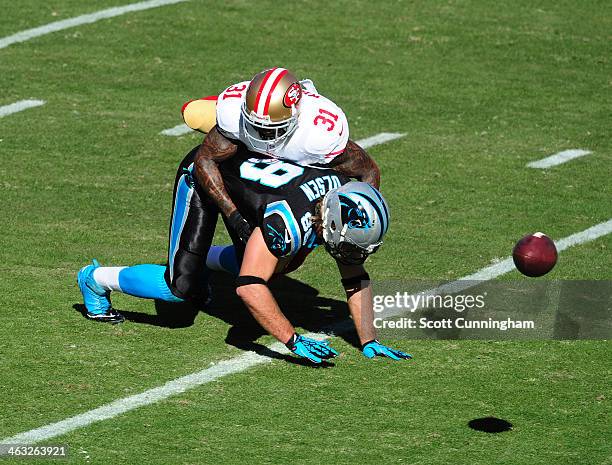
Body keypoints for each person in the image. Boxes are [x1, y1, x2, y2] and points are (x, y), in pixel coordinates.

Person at [77, 145, 411, 363]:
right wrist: (292, 340)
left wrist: (368, 338)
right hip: (208, 179)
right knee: (179, 289)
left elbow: (354, 277)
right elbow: (249, 287)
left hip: (256, 191)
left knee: (281, 261)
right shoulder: (290, 224)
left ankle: (201, 259)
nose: (352, 253)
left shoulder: (337, 200)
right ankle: (95, 280)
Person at [185, 68, 382, 248]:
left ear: (296, 116)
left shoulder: (317, 136)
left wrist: (353, 223)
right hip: (249, 161)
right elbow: (204, 159)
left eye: (269, 129)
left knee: (280, 260)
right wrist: (233, 215)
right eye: (256, 125)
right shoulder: (234, 112)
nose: (260, 133)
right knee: (192, 113)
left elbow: (369, 171)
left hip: (287, 180)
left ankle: (213, 258)